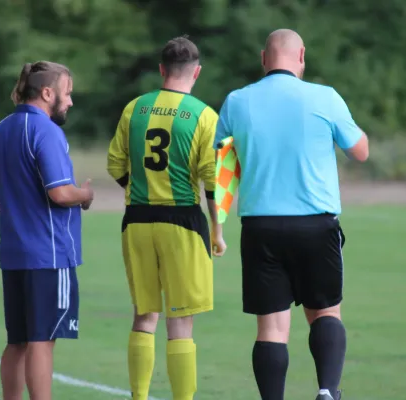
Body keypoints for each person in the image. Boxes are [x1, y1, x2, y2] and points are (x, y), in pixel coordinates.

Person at [214, 29, 369, 400]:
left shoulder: (237, 101)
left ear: (263, 59)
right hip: (316, 223)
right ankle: (327, 391)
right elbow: (359, 151)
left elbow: (222, 167)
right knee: (326, 312)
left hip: (260, 225)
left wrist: (217, 224)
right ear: (301, 56)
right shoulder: (325, 97)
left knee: (270, 329)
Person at [107, 35, 227, 400]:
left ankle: (139, 397)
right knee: (180, 320)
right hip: (183, 223)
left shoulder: (134, 108)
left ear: (162, 70)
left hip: (138, 220)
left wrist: (141, 190)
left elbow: (115, 165)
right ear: (197, 72)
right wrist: (217, 230)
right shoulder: (205, 115)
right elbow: (213, 180)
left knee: (144, 315)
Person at [0, 61, 94, 400]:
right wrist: (85, 195)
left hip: (14, 254)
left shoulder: (2, 129)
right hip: (48, 254)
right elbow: (60, 193)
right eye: (67, 93)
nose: (70, 101)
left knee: (16, 341)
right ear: (48, 93)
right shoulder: (47, 131)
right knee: (42, 340)